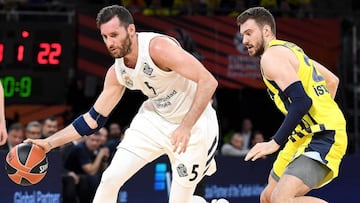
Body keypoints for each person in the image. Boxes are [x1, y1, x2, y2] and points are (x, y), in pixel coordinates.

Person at [25, 5, 219, 203]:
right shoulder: (117, 72)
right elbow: (93, 120)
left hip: (194, 125)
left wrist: (186, 126)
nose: (110, 42)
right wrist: (48, 144)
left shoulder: (158, 48)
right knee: (109, 179)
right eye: (105, 37)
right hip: (155, 119)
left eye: (114, 35)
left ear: (131, 30)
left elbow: (208, 81)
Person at [237, 7, 347, 203]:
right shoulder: (291, 50)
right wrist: (319, 113)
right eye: (242, 35)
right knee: (268, 197)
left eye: (249, 33)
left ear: (266, 31)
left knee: (281, 199)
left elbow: (301, 101)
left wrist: (274, 143)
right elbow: (332, 81)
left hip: (324, 135)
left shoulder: (271, 57)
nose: (244, 40)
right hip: (304, 134)